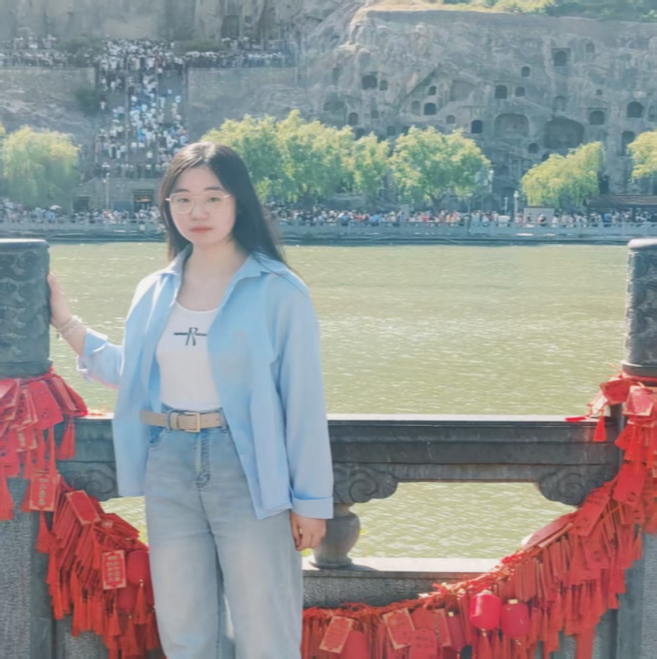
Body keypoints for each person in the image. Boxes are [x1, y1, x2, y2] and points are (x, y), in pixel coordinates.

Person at [47, 141, 334, 659]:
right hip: (169, 462)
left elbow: (303, 401)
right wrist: (66, 322)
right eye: (182, 199)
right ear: (167, 207)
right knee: (183, 627)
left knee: (264, 625)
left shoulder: (278, 289)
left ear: (238, 203)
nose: (196, 212)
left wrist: (312, 501)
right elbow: (134, 373)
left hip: (247, 465)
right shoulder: (155, 288)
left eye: (212, 197)